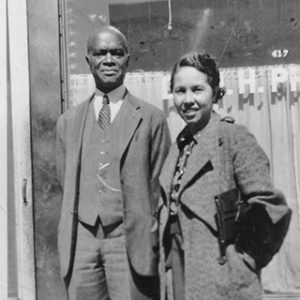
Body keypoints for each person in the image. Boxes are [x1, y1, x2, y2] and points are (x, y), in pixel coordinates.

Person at [158, 52, 291, 300]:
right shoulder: (179, 146)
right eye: (180, 91)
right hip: (179, 269)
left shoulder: (232, 138)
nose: (188, 100)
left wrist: (244, 261)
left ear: (215, 92)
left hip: (220, 277)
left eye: (197, 90)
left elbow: (271, 208)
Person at [56, 25, 171, 300]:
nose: (108, 59)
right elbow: (65, 181)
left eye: (116, 53)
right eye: (100, 53)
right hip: (81, 241)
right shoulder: (68, 123)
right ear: (88, 61)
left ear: (127, 59)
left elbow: (160, 185)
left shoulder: (152, 119)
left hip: (130, 241)